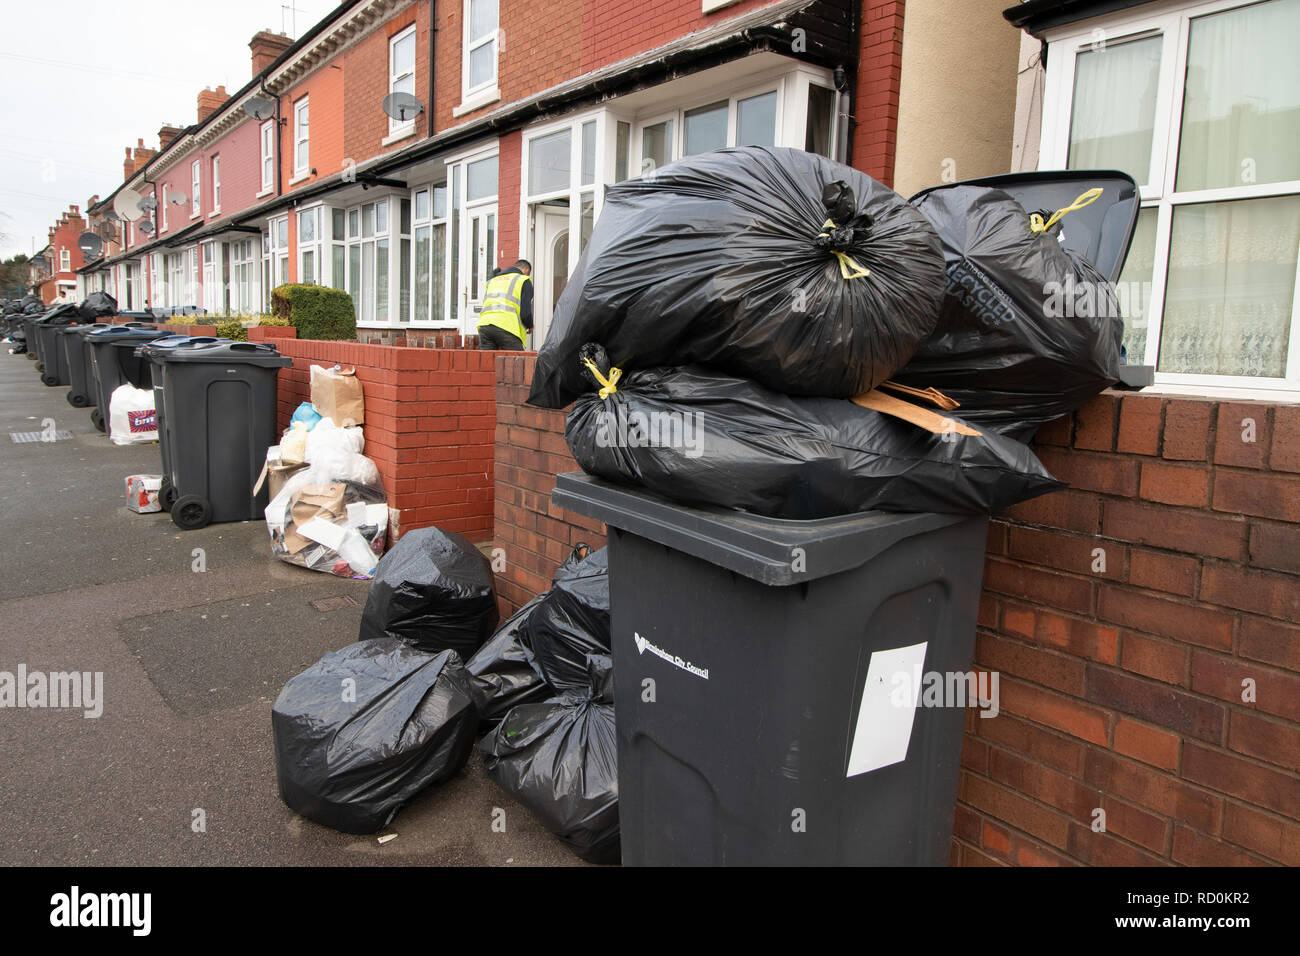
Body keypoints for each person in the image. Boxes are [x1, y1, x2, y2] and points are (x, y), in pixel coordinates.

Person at [477, 259, 532, 350]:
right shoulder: (523, 280)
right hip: (506, 325)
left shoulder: (493, 280)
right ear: (526, 271)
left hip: (484, 326)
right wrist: (529, 325)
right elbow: (525, 313)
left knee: (487, 361)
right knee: (516, 361)